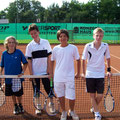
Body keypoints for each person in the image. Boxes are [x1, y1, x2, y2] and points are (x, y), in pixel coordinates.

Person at [82, 27, 112, 120]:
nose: (98, 37)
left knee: (100, 95)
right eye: (97, 35)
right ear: (93, 36)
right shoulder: (88, 46)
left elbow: (108, 58)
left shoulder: (105, 45)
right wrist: (83, 73)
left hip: (100, 73)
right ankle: (97, 113)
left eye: (100, 36)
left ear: (102, 36)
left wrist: (108, 70)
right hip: (90, 73)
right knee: (92, 95)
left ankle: (94, 107)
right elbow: (83, 60)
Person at [25, 23, 55, 115]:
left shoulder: (46, 42)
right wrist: (31, 74)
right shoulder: (29, 46)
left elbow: (50, 57)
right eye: (31, 34)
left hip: (46, 72)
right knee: (36, 90)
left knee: (49, 89)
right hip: (35, 73)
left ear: (38, 32)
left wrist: (49, 70)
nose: (34, 35)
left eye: (35, 33)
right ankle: (38, 106)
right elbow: (29, 61)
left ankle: (52, 104)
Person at [51, 29, 80, 120]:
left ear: (67, 37)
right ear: (58, 38)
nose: (62, 38)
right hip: (58, 77)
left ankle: (71, 111)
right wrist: (51, 73)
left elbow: (78, 60)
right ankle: (63, 111)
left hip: (69, 77)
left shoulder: (73, 48)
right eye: (60, 36)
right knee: (60, 96)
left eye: (64, 36)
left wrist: (78, 72)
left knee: (71, 96)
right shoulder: (55, 49)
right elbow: (52, 61)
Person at [0, 36, 28, 115]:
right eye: (9, 42)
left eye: (13, 42)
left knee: (18, 94)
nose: (11, 44)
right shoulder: (4, 54)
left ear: (15, 44)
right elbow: (1, 65)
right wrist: (0, 73)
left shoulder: (19, 52)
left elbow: (25, 63)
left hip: (17, 79)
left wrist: (22, 72)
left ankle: (20, 105)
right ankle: (15, 105)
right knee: (12, 93)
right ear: (7, 44)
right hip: (8, 78)